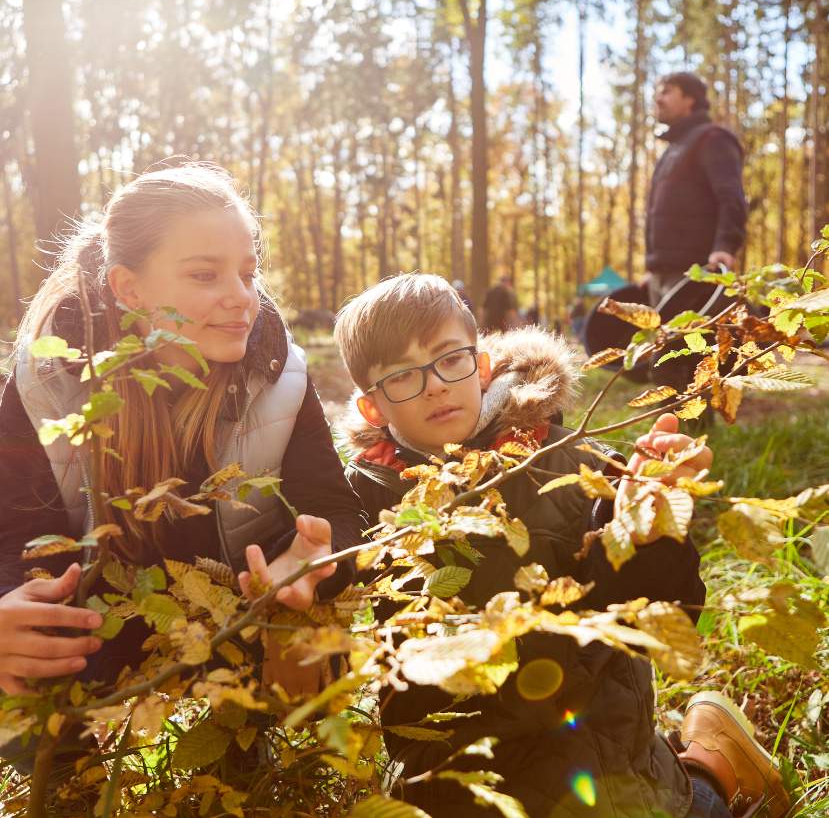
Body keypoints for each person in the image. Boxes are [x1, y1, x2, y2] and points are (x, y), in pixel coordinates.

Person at [332, 274, 790, 818]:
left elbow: (664, 617)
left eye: (448, 359)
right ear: (372, 408)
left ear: (479, 366)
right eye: (403, 376)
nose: (434, 384)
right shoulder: (359, 509)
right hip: (458, 789)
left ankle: (711, 767)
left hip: (606, 774)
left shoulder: (569, 466)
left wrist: (644, 528)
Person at [0, 163, 367, 771]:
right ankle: (69, 789)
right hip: (97, 626)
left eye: (248, 274)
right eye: (205, 274)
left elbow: (332, 508)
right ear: (130, 289)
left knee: (291, 682)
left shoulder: (280, 376)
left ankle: (242, 776)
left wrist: (317, 564)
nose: (240, 296)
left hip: (235, 621)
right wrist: (10, 604)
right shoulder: (48, 384)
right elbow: (13, 533)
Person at [643, 72, 748, 391]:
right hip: (663, 275)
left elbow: (732, 198)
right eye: (658, 91)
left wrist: (725, 246)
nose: (658, 97)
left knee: (687, 361)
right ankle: (669, 437)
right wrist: (654, 267)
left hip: (696, 275)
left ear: (690, 99)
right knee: (665, 365)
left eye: (668, 91)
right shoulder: (672, 149)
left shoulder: (712, 138)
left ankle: (692, 437)